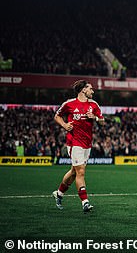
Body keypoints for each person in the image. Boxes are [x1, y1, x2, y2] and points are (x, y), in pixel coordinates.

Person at [52, 80, 105, 212]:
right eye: (90, 89)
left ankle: (58, 193)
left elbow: (102, 122)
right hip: (74, 142)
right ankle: (85, 202)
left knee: (74, 172)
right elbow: (57, 116)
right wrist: (64, 125)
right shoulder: (69, 104)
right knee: (81, 171)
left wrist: (95, 118)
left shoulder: (94, 105)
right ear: (83, 90)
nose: (93, 91)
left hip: (87, 143)